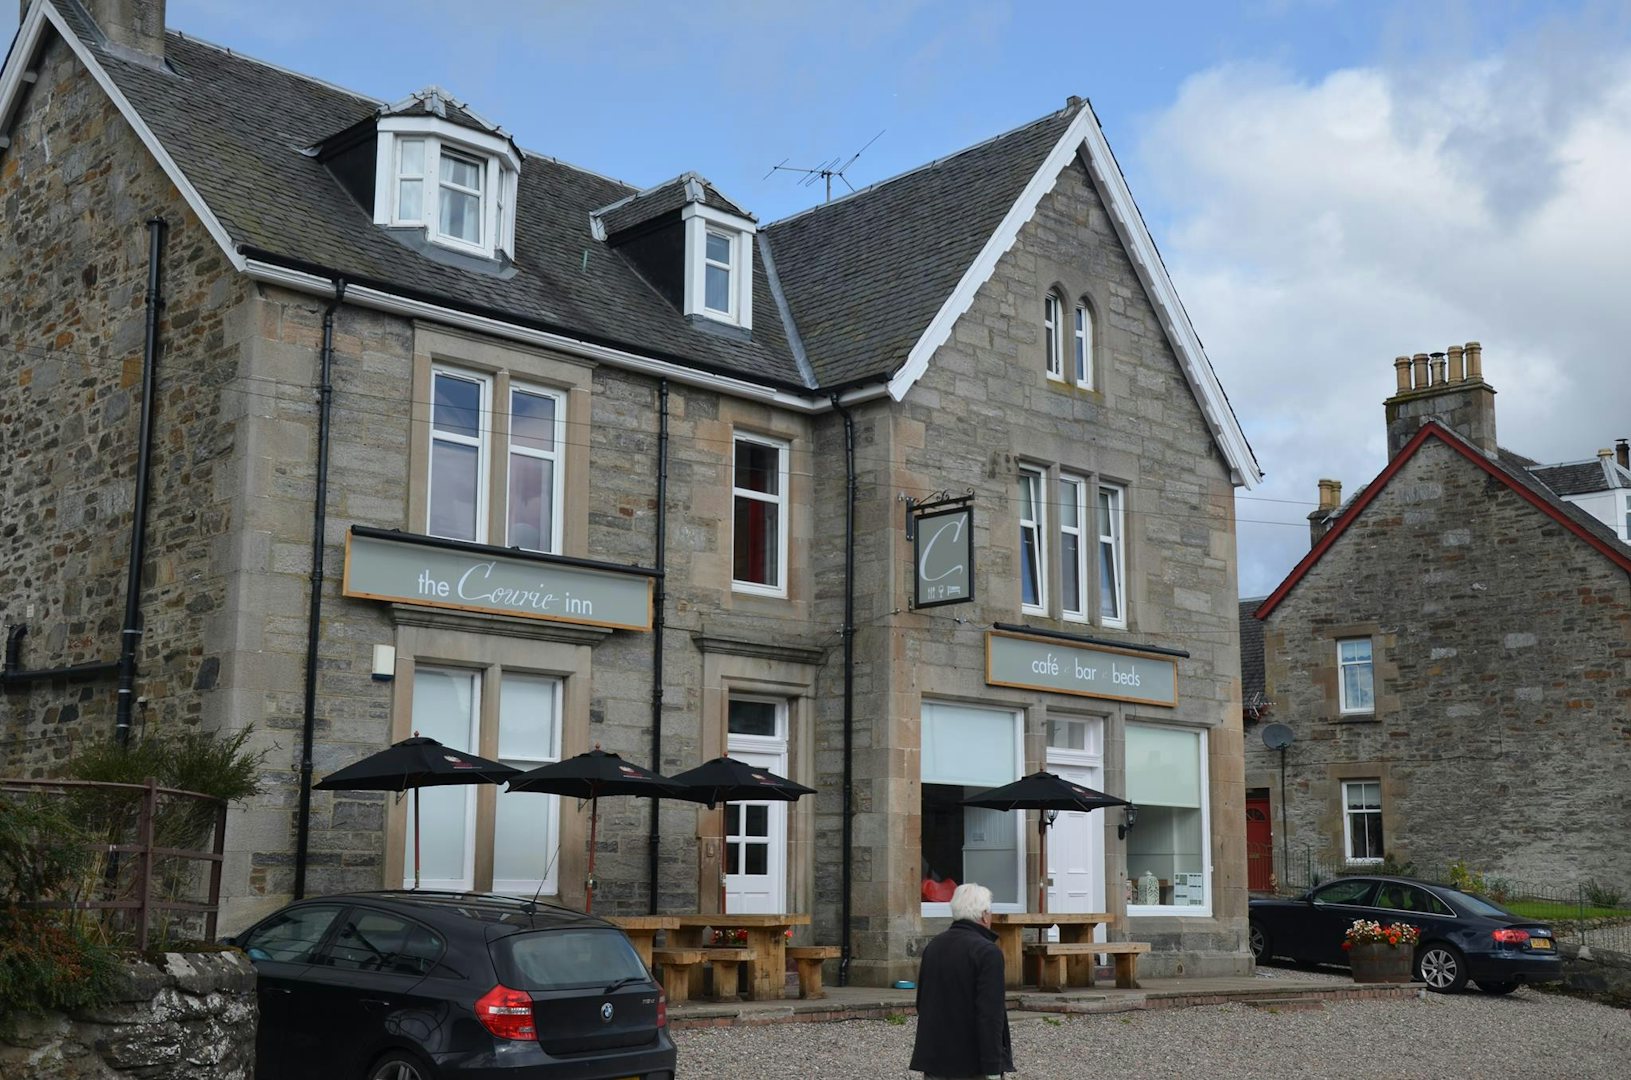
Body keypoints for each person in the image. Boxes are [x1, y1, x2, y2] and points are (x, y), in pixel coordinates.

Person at [909, 882, 1013, 1079]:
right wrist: (993, 1068)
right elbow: (990, 1014)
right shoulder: (987, 952)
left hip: (935, 1057)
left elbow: (922, 1001)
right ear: (984, 915)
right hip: (971, 1063)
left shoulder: (934, 946)